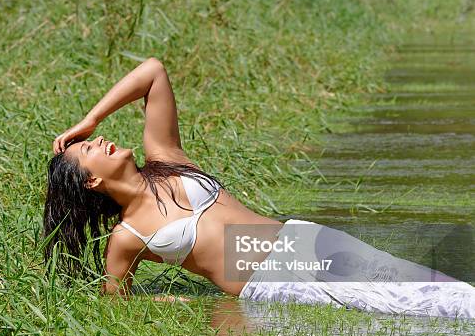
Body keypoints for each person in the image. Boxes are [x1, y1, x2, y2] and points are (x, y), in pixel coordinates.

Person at [45, 58, 475, 318]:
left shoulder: (166, 159)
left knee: (422, 284)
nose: (98, 141)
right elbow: (116, 300)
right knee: (410, 310)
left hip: (302, 240)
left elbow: (153, 71)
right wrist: (172, 303)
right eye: (87, 148)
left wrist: (91, 118)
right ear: (91, 180)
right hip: (266, 282)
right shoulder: (129, 235)